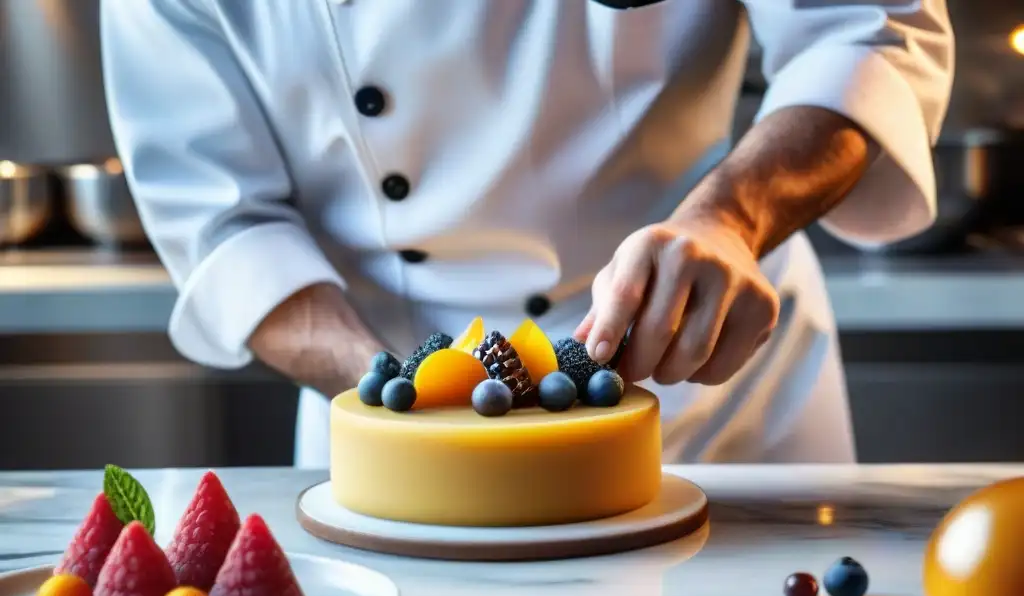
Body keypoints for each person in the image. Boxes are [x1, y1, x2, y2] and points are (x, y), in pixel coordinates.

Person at [101, 0, 953, 468]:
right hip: (386, 416)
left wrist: (733, 216)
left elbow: (867, 29)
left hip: (699, 378)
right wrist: (389, 397)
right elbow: (228, 224)